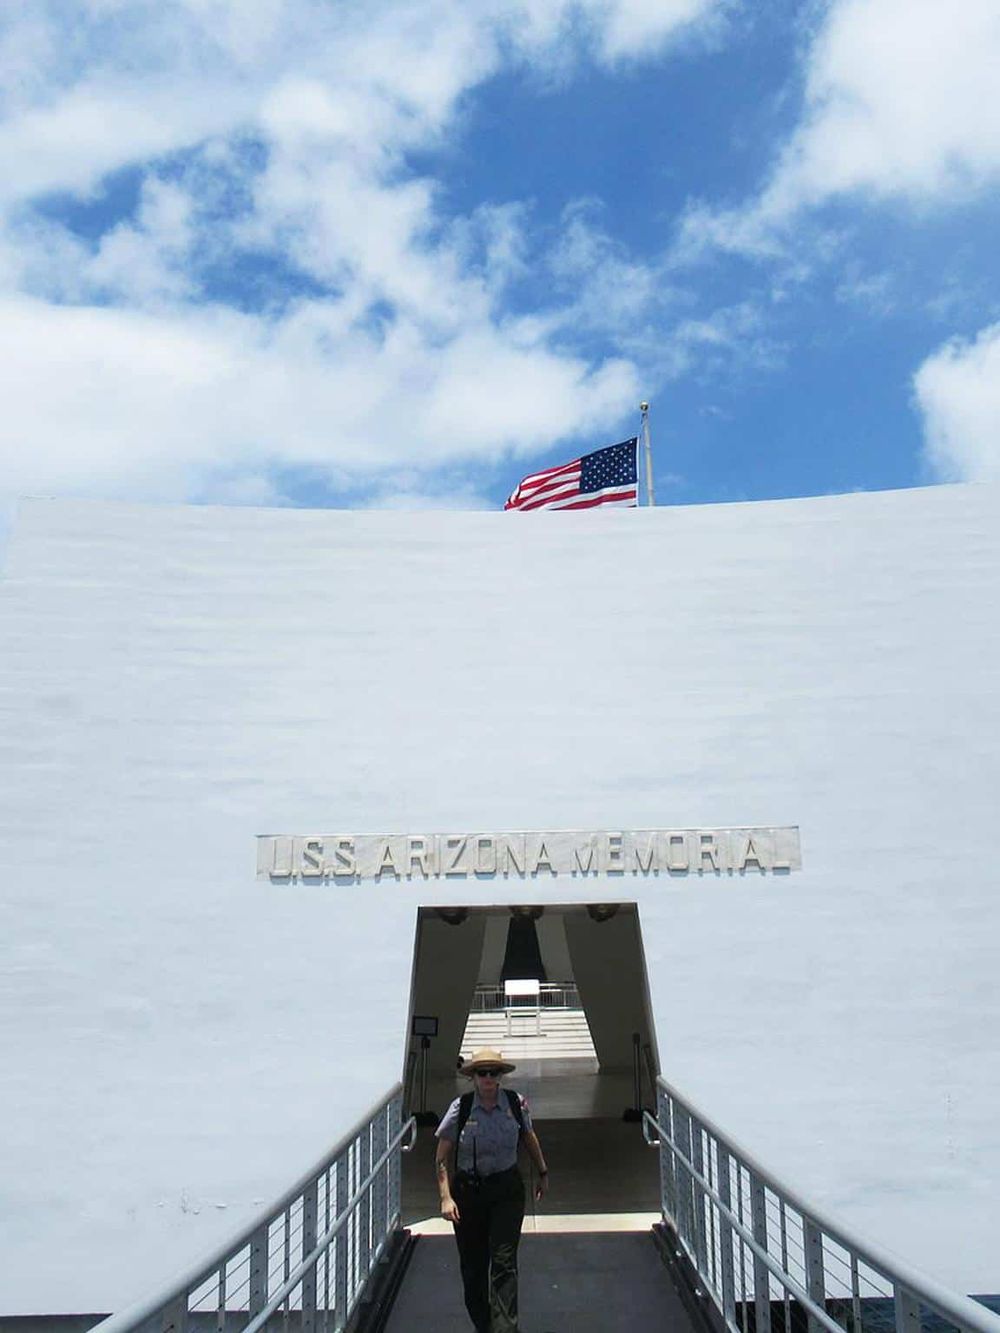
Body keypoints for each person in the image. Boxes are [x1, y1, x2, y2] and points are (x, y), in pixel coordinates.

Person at [435, 1047, 549, 1333]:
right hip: (469, 1194)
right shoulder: (459, 1109)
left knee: (504, 1263)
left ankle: (505, 1330)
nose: (488, 1078)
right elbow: (441, 1158)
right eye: (482, 1073)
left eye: (493, 1073)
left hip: (506, 1190)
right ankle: (486, 1326)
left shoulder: (515, 1103)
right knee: (474, 1269)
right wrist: (446, 1197)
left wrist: (542, 1171)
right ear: (473, 1077)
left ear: (501, 1077)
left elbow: (528, 1136)